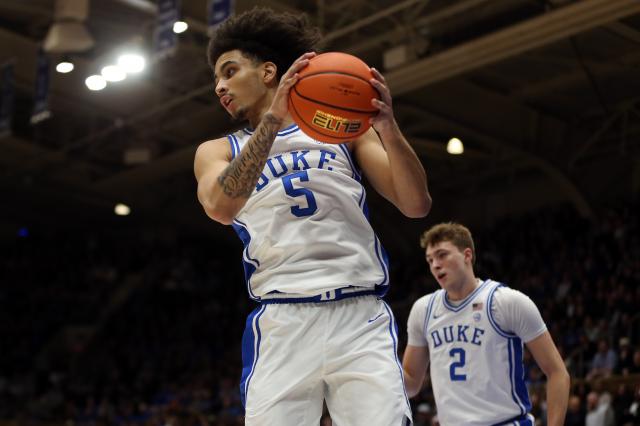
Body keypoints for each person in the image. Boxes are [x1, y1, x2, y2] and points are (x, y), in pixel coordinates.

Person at [194, 7, 431, 425]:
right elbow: (220, 206)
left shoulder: (344, 132)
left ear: (269, 72)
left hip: (358, 314)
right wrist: (272, 120)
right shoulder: (218, 150)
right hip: (283, 318)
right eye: (217, 79)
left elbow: (416, 204)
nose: (220, 87)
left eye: (229, 71)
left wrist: (389, 128)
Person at [402, 223, 569, 426]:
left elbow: (557, 372)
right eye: (430, 260)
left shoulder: (506, 302)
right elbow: (411, 384)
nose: (435, 265)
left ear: (467, 255)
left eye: (442, 255)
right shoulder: (423, 310)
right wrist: (379, 364)